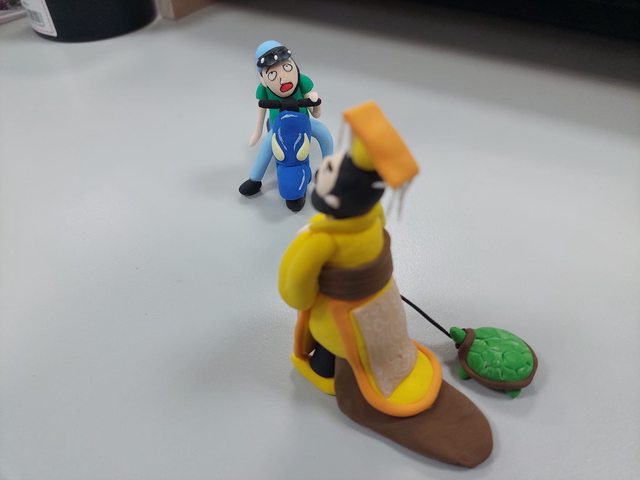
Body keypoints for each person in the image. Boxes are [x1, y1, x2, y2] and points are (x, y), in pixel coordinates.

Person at [239, 40, 333, 208]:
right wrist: (257, 132)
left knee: (324, 133)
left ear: (294, 65)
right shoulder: (263, 90)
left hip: (304, 123)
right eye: (272, 74)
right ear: (263, 79)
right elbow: (261, 111)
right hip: (278, 127)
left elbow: (316, 114)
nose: (282, 78)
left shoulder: (303, 81)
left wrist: (314, 102)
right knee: (266, 147)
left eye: (287, 67)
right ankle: (255, 179)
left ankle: (328, 165)